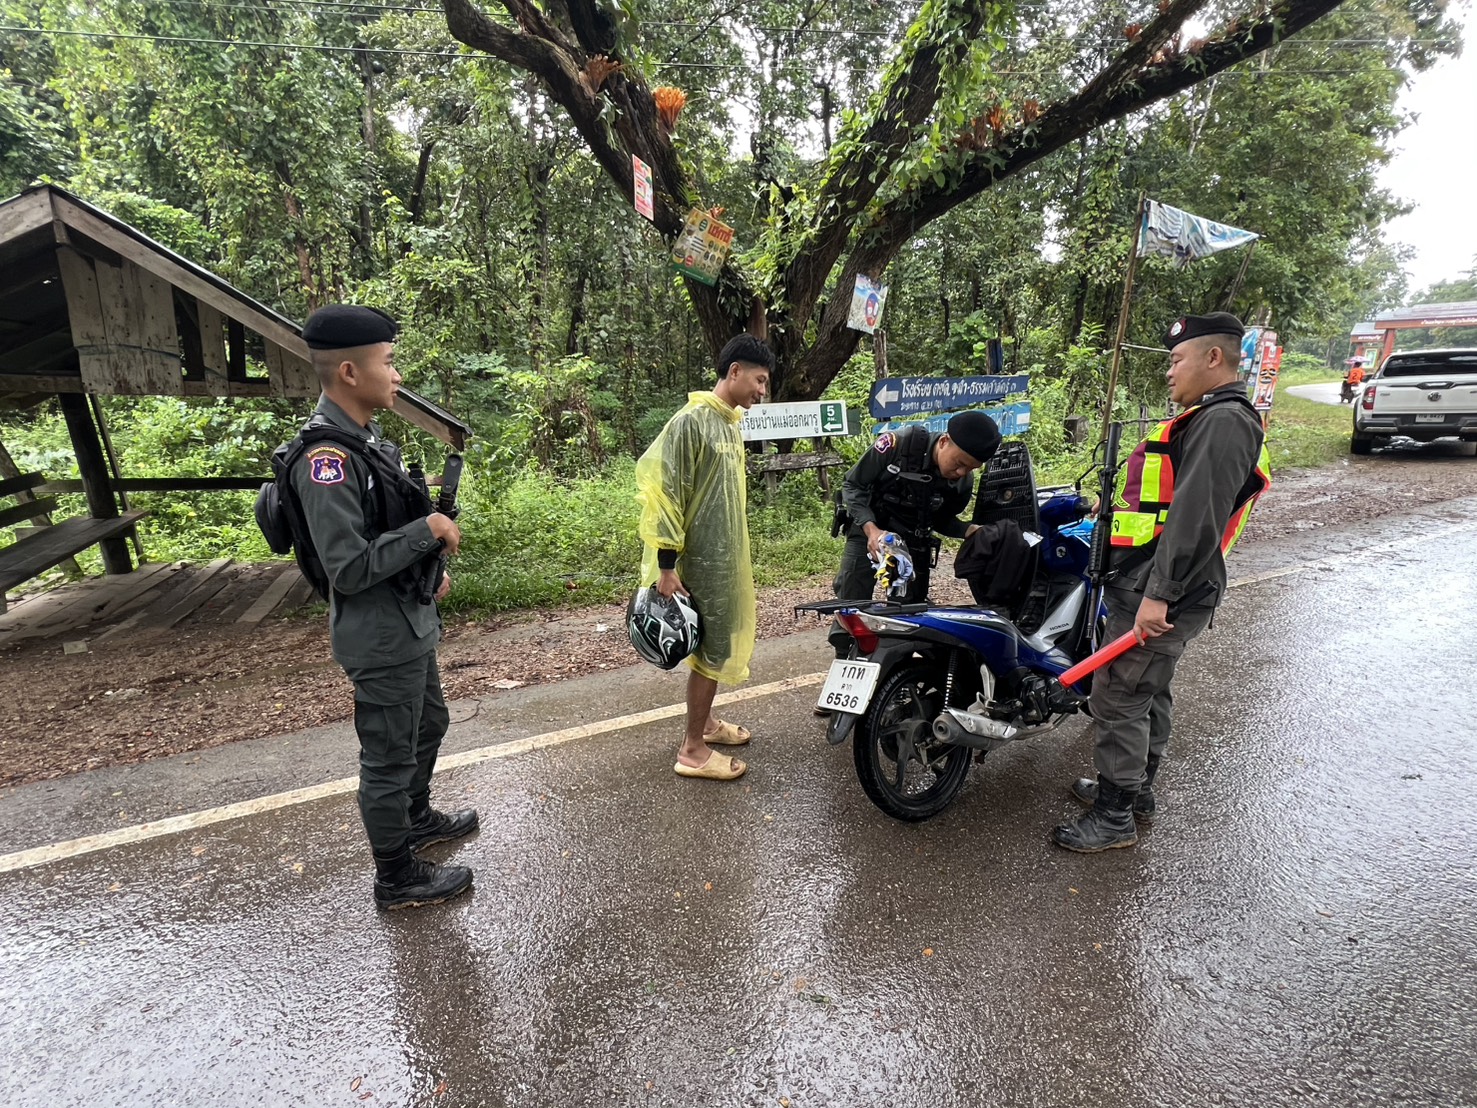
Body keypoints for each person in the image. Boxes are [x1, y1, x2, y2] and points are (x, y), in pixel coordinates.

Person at [1052, 312, 1271, 853]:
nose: (1169, 372)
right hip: (1151, 583)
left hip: (1163, 589)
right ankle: (1136, 793)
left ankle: (1114, 816)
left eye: (1176, 360)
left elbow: (1196, 518)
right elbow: (1167, 500)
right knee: (1146, 690)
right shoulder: (1208, 418)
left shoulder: (1224, 421)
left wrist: (1159, 595)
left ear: (1213, 358)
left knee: (1119, 696)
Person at [289, 305, 478, 908]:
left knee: (429, 724)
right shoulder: (327, 461)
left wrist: (424, 567)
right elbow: (346, 567)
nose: (397, 375)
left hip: (406, 621)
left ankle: (414, 819)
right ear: (349, 372)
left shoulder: (366, 443)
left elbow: (382, 534)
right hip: (378, 635)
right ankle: (396, 876)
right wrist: (427, 531)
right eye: (389, 362)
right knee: (389, 755)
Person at [636, 334, 773, 781]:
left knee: (713, 645)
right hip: (697, 562)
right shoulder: (691, 421)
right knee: (712, 651)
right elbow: (668, 495)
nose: (762, 391)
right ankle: (692, 749)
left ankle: (708, 724)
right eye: (759, 380)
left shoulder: (728, 422)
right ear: (734, 372)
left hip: (725, 558)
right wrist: (667, 565)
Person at [827, 410, 1002, 658]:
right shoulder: (898, 444)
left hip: (912, 541)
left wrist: (968, 530)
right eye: (959, 463)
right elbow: (853, 485)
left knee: (909, 616)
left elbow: (941, 520)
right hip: (869, 528)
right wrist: (871, 529)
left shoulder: (962, 482)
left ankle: (898, 671)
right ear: (944, 441)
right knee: (851, 601)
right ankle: (846, 661)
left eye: (970, 469)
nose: (961, 473)